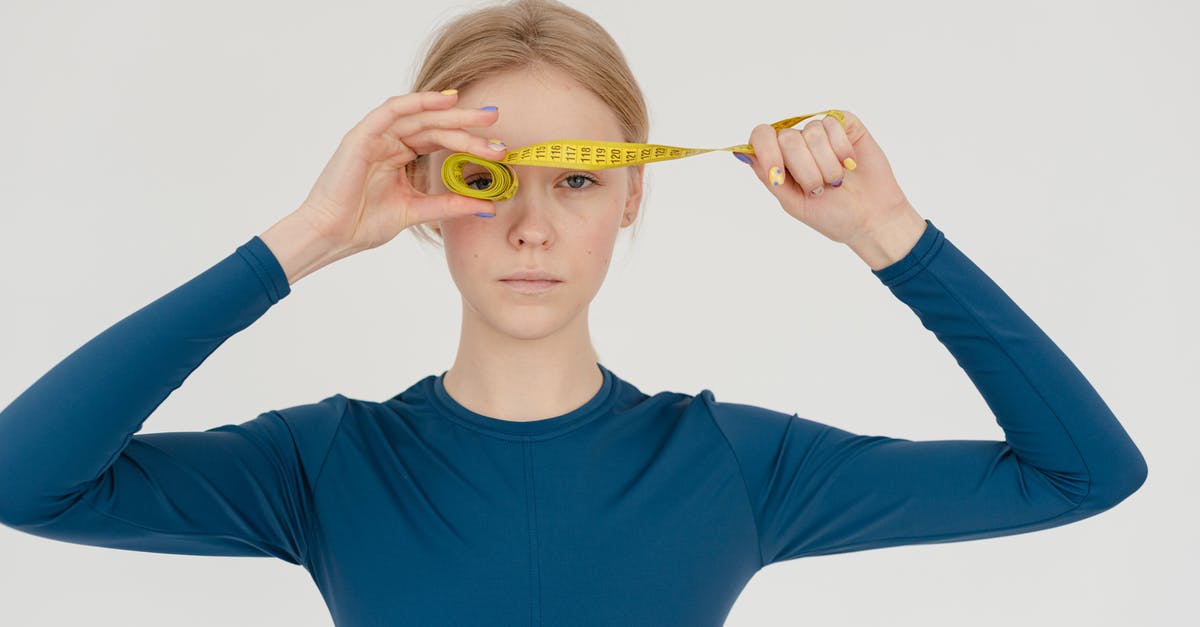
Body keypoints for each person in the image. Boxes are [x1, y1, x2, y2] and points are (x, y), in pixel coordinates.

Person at [0, 0, 1147, 626]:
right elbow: (24, 479)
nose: (533, 227)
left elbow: (1085, 474)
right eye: (488, 181)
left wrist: (885, 234)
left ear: (633, 191)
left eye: (580, 179)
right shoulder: (328, 466)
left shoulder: (733, 466)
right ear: (425, 204)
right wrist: (307, 237)